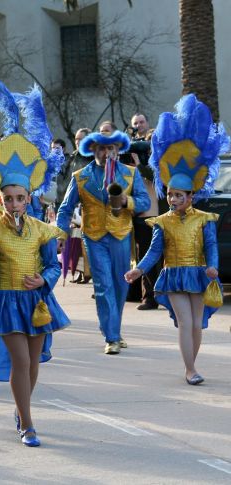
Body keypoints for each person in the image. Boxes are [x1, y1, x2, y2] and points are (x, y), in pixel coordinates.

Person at [0, 78, 68, 446]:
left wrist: (45, 281)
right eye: (9, 198)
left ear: (30, 196)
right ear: (0, 198)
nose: (15, 203)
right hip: (4, 302)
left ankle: (21, 409)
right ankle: (28, 424)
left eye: (21, 198)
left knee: (34, 365)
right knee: (20, 363)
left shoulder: (42, 230)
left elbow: (53, 265)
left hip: (36, 303)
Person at [125, 95, 226, 385]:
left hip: (198, 274)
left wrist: (213, 267)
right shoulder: (163, 221)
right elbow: (155, 250)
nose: (173, 199)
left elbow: (211, 247)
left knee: (196, 324)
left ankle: (191, 365)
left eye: (178, 196)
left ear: (191, 196)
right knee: (185, 322)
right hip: (173, 275)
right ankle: (190, 369)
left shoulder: (204, 219)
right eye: (170, 194)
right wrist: (139, 270)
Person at [57, 125, 150, 354]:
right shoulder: (80, 177)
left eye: (110, 148)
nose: (105, 153)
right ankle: (111, 336)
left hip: (121, 235)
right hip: (94, 237)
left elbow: (145, 202)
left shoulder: (130, 173)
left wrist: (126, 201)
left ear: (117, 149)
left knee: (120, 285)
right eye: (100, 148)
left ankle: (114, 330)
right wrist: (60, 234)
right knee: (104, 285)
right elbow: (65, 209)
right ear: (93, 149)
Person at [127, 113, 161, 310]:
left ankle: (153, 296)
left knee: (155, 255)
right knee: (141, 256)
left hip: (155, 212)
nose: (139, 126)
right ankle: (144, 295)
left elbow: (156, 177)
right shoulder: (132, 152)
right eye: (136, 123)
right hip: (138, 212)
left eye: (142, 122)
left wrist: (140, 164)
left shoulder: (159, 156)